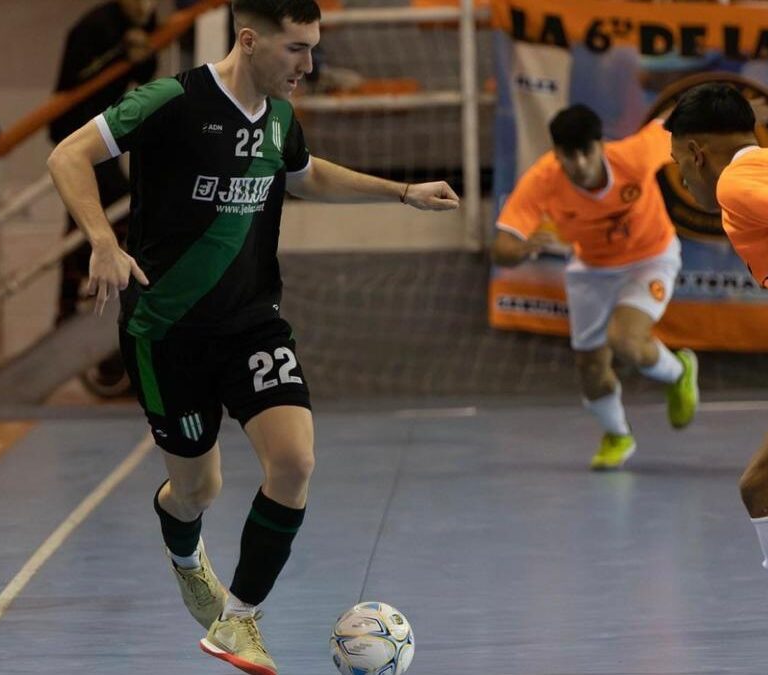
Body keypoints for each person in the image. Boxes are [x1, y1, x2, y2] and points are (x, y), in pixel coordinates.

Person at [46, 0, 459, 671]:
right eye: (296, 49)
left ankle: (238, 622)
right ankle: (185, 551)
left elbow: (307, 175)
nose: (310, 65)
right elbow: (69, 155)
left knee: (295, 462)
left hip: (252, 323)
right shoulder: (170, 100)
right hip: (166, 331)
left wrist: (401, 190)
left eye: (313, 48)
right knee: (196, 492)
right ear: (249, 39)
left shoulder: (281, 118)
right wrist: (101, 239)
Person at [665, 82, 768, 674]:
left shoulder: (735, 180)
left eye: (679, 160)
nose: (682, 175)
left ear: (698, 151)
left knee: (766, 486)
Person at [491, 104, 699, 470]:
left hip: (651, 258)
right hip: (592, 269)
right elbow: (502, 247)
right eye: (569, 156)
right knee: (590, 366)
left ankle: (678, 372)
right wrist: (523, 248)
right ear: (557, 154)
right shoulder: (542, 181)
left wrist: (732, 110)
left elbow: (676, 118)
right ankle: (618, 434)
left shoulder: (633, 156)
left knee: (625, 341)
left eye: (586, 152)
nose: (580, 163)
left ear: (600, 145)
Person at [50, 0, 159, 327]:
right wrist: (122, 52)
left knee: (86, 217)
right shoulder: (94, 26)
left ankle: (74, 300)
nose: (144, 6)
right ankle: (77, 297)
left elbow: (143, 73)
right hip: (77, 125)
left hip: (106, 124)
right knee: (114, 202)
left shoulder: (147, 19)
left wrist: (142, 55)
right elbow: (77, 82)